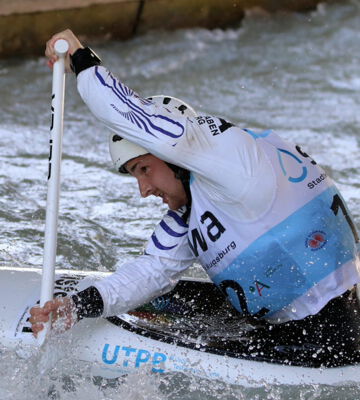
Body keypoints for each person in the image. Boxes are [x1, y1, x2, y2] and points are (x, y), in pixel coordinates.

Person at [30, 30, 360, 362]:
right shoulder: (197, 205)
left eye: (144, 169)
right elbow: (152, 271)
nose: (144, 191)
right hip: (290, 329)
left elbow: (134, 118)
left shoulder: (235, 163)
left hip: (335, 336)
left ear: (174, 155)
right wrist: (75, 307)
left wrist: (81, 59)